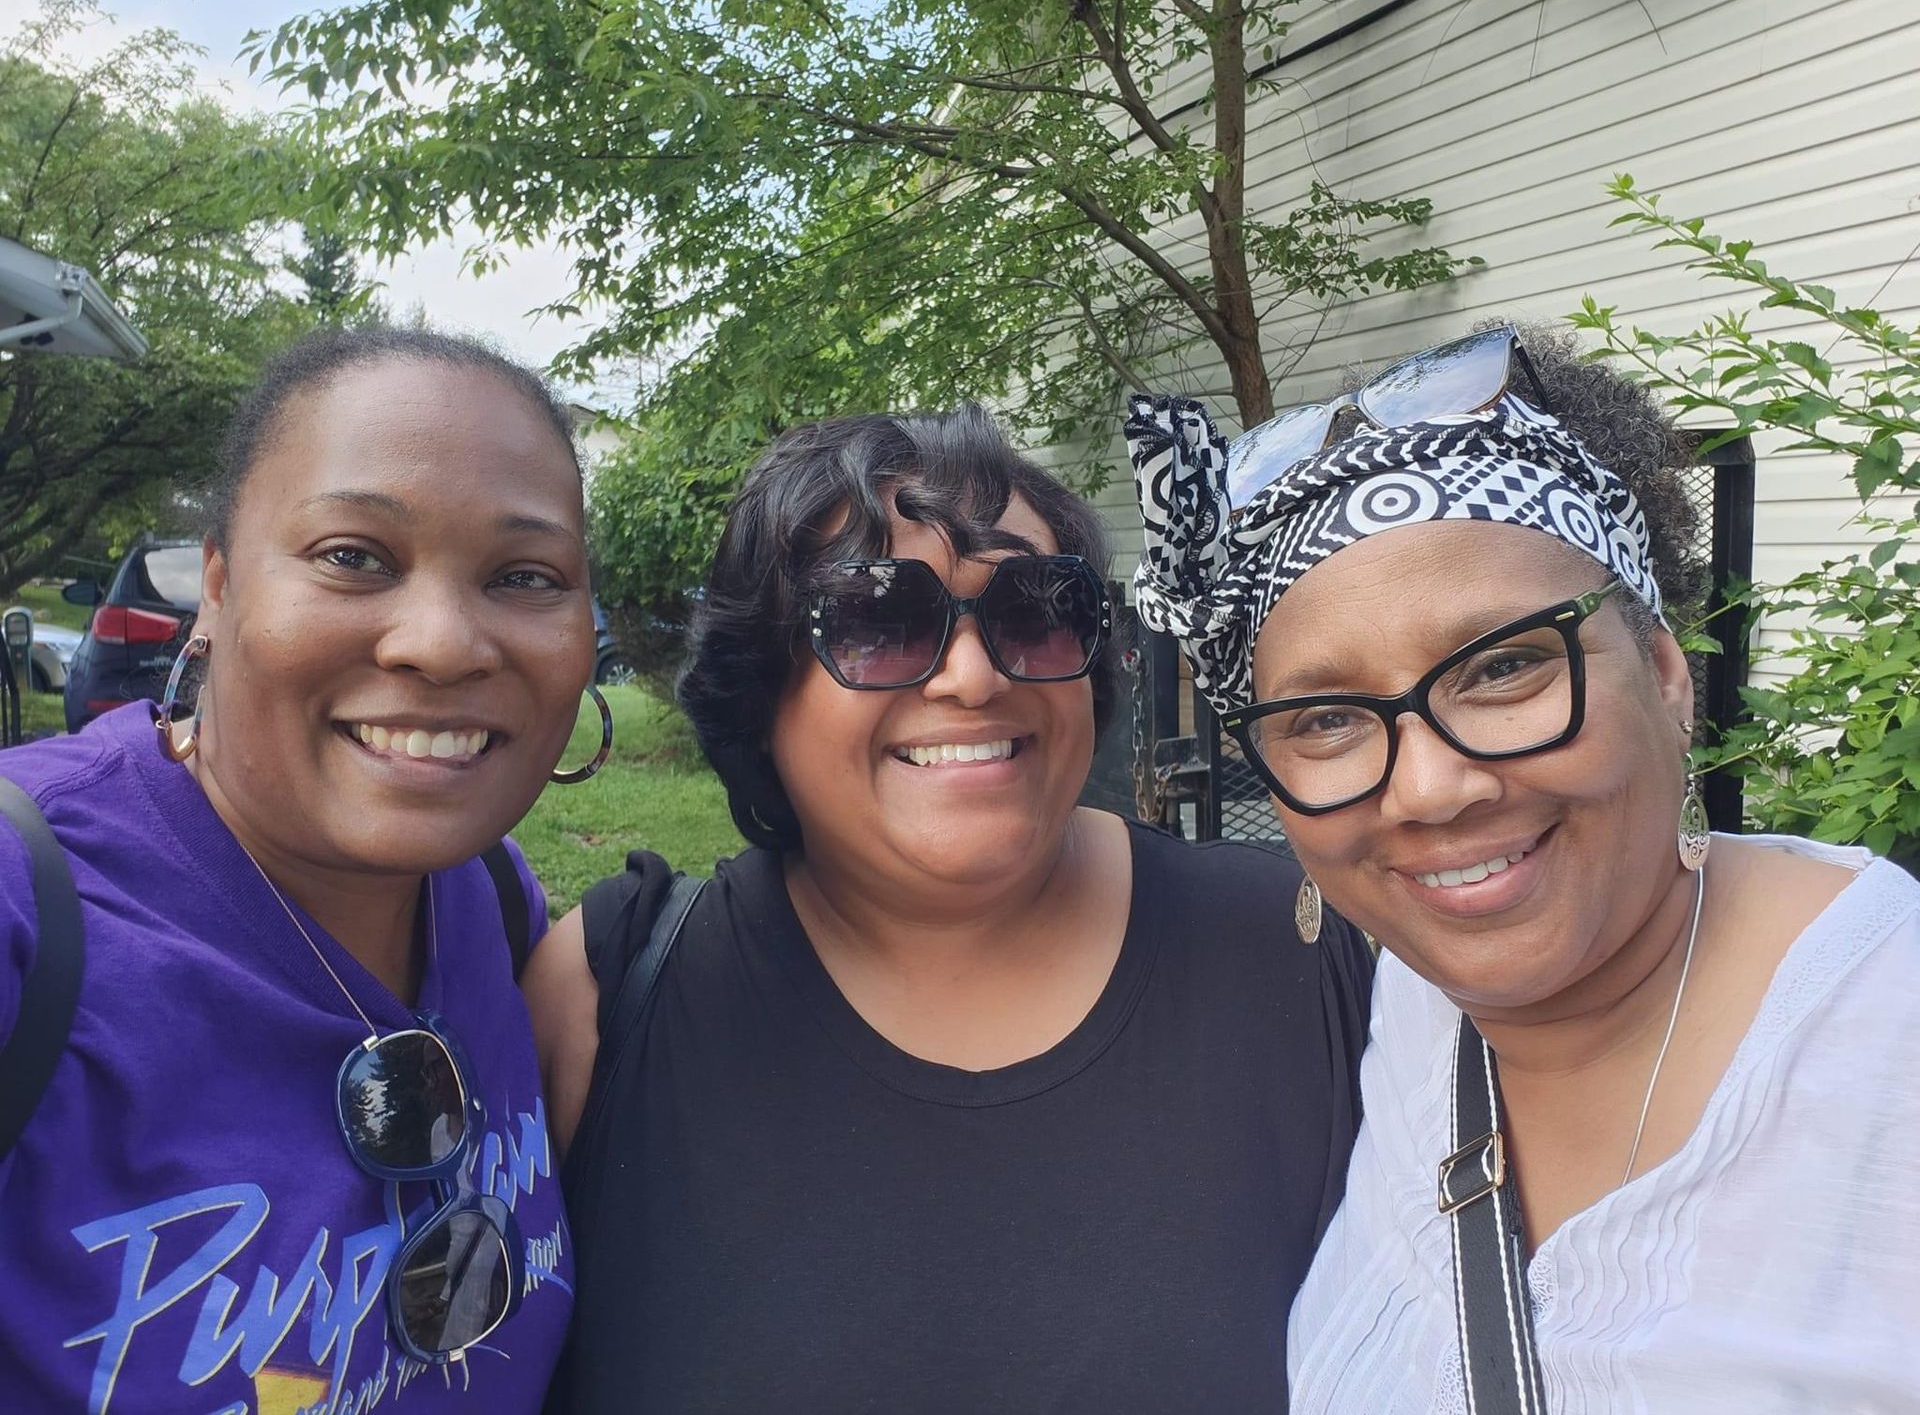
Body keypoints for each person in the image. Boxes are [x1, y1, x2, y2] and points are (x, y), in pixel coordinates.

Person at [1125, 322, 1920, 1412]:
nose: (1429, 789)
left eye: (1503, 667)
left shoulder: (1885, 1048)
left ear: (1667, 676)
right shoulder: (1409, 1003)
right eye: (1324, 719)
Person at [524, 406, 1374, 1413]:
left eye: (1033, 609)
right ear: (761, 685)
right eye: (879, 620)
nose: (973, 677)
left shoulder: (1316, 952)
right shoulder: (602, 999)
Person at [0, 328, 602, 1411]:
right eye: (353, 556)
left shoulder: (495, 901)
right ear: (218, 590)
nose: (442, 642)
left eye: (525, 575)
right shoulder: (26, 906)